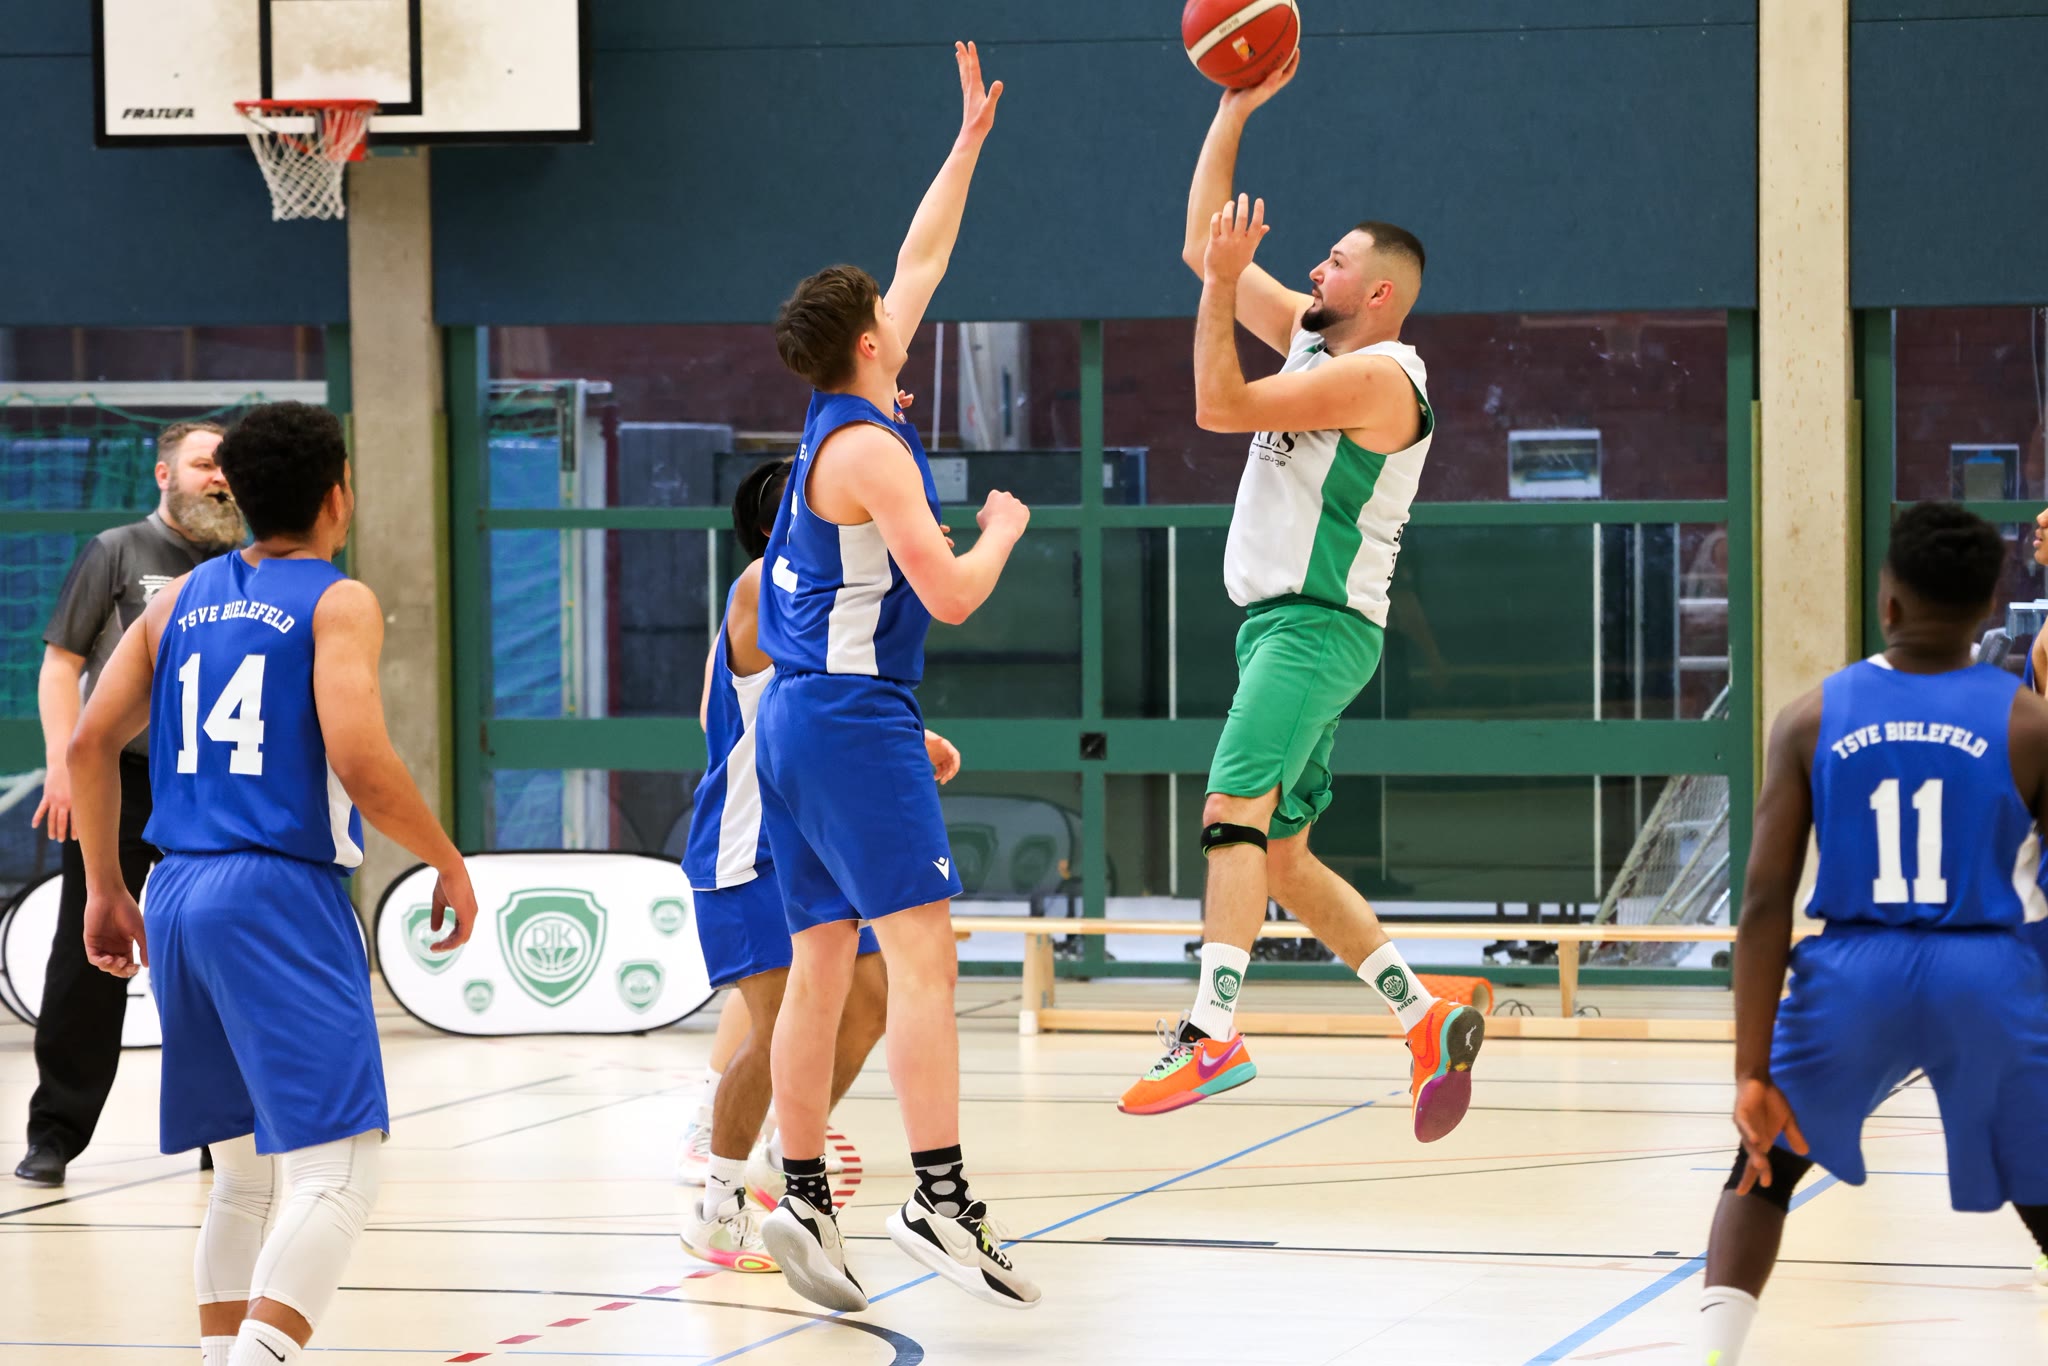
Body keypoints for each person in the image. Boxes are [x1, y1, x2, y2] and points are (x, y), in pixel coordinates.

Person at [66, 401, 479, 1366]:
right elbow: (361, 759)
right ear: (340, 494)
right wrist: (447, 859)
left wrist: (104, 887)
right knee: (338, 1174)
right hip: (275, 895)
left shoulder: (175, 600)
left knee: (245, 1177)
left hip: (175, 890)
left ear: (240, 497)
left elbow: (88, 743)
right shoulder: (337, 601)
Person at [1118, 51, 1483, 1140]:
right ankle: (1423, 1016)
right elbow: (1201, 245)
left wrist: (1222, 286)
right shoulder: (1317, 343)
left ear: (1379, 294)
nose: (1313, 270)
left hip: (1314, 628)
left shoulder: (1382, 376)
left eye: (1332, 262)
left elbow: (1218, 404)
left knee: (1229, 812)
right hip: (1292, 630)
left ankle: (1211, 1034)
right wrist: (1230, 109)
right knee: (1280, 854)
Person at [751, 41, 1039, 1313]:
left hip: (801, 717)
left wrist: (965, 144)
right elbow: (954, 593)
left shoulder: (834, 415)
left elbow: (920, 257)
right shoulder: (870, 449)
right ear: (869, 344)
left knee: (822, 962)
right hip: (848, 718)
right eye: (891, 319)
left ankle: (800, 1189)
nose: (905, 317)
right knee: (924, 957)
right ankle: (937, 1193)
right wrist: (1004, 528)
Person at [1696, 503, 2048, 1364]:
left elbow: (1764, 901)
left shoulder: (1810, 716)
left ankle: (1712, 1355)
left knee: (1763, 1167)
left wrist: (1751, 1072)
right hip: (1987, 974)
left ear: (1887, 603)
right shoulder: (2030, 725)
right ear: (1989, 606)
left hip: (1853, 975)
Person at [678, 456, 905, 1271]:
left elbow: (826, 700)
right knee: (778, 1028)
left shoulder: (811, 602)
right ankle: (717, 1205)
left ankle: (782, 1158)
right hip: (745, 849)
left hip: (806, 846)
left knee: (870, 1005)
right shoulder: (758, 586)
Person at [16, 420, 245, 1187]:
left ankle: (222, 1131)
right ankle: (55, 1132)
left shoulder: (245, 566)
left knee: (213, 950)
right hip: (118, 778)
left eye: (227, 467)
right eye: (204, 464)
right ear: (164, 475)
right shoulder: (118, 550)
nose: (218, 478)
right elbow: (60, 665)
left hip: (210, 786)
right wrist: (64, 763)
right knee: (88, 958)